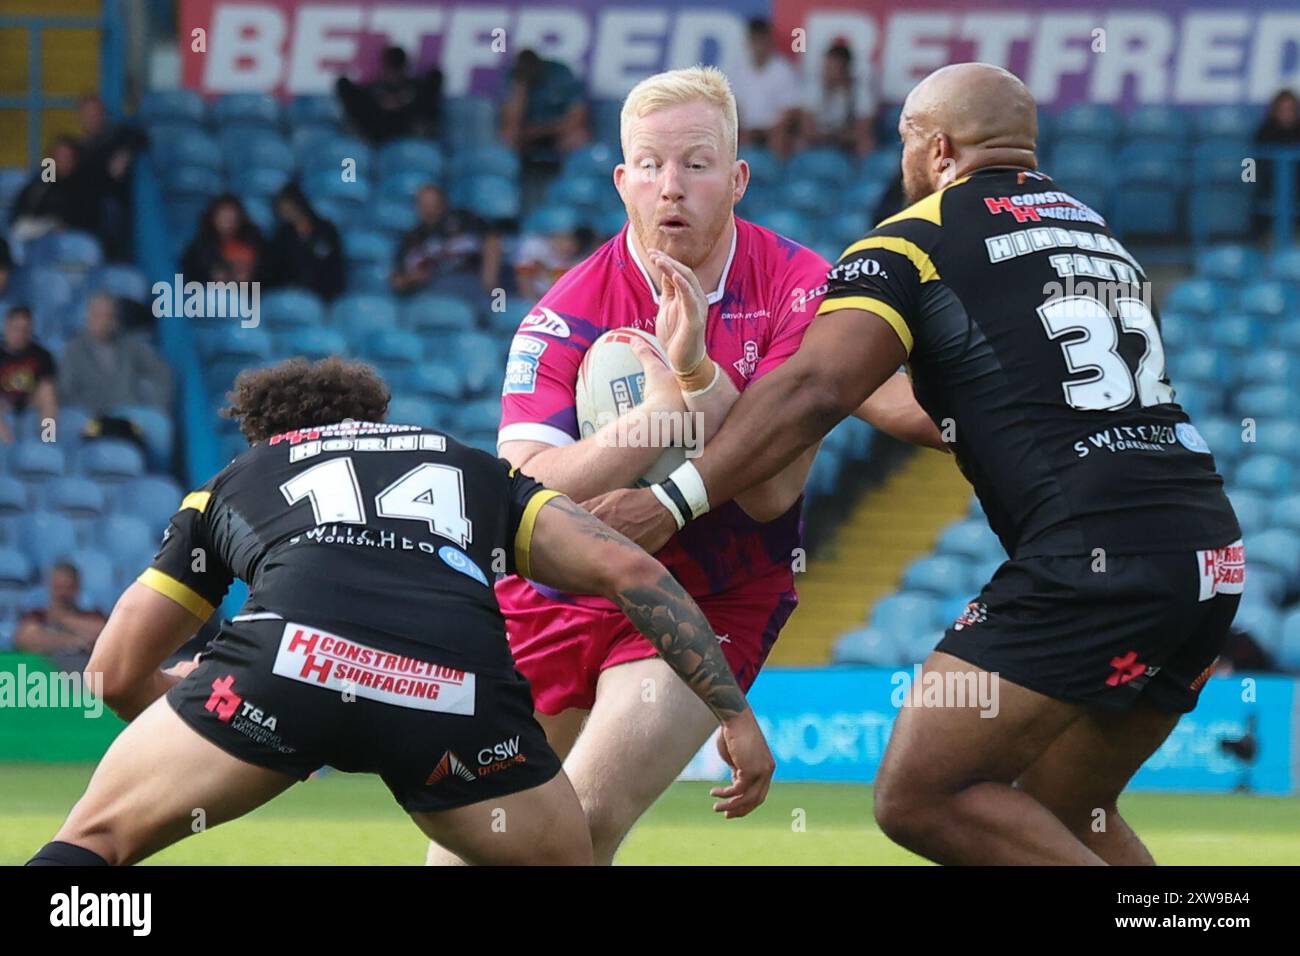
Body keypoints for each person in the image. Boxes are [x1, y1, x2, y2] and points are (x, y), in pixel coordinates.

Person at [589, 63, 1244, 866]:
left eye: (904, 139)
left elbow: (816, 388)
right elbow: (962, 406)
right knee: (1062, 811)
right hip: (1208, 553)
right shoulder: (1091, 232)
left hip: (1091, 555)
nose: (899, 160)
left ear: (937, 147)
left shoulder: (916, 237)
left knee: (919, 794)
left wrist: (674, 501)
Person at [425, 66, 939, 867]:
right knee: (472, 841)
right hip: (561, 586)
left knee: (579, 826)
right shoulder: (565, 310)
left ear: (736, 178)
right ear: (622, 181)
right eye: (652, 166)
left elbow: (771, 492)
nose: (674, 187)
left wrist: (699, 373)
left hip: (716, 591)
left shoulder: (802, 289)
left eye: (697, 165)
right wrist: (669, 410)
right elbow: (524, 486)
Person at [26, 357, 773, 866]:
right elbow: (629, 568)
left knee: (96, 840)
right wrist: (733, 715)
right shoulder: (476, 469)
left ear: (270, 436)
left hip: (285, 667)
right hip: (453, 694)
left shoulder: (237, 477)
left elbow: (113, 672)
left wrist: (204, 706)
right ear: (382, 420)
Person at [59, 293, 173, 415]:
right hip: (89, 417)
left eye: (109, 316)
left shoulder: (131, 345)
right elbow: (65, 391)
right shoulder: (73, 349)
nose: (104, 322)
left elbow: (162, 374)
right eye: (98, 316)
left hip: (129, 414)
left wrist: (154, 404)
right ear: (88, 317)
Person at [389, 184, 501, 297]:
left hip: (471, 283)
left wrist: (489, 280)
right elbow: (397, 281)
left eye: (433, 204)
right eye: (423, 205)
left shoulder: (464, 220)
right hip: (432, 291)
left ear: (443, 204)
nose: (429, 210)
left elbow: (492, 240)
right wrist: (412, 278)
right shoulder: (412, 238)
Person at [74, 93, 148, 261]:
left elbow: (141, 137)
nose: (91, 118)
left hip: (106, 211)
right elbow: (49, 164)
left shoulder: (116, 136)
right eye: (87, 114)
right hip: (76, 209)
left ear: (103, 114)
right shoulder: (75, 146)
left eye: (95, 113)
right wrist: (48, 177)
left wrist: (126, 153)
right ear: (80, 116)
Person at [500, 49, 590, 177]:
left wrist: (541, 131)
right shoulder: (515, 79)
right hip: (527, 135)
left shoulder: (561, 76)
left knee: (577, 137)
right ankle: (509, 181)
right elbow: (510, 122)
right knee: (508, 136)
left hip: (557, 132)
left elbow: (577, 116)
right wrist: (520, 90)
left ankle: (573, 183)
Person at [726, 19, 804, 160]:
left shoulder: (783, 69)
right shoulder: (737, 68)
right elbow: (733, 102)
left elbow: (790, 110)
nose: (759, 46)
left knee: (780, 135)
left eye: (762, 41)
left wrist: (772, 129)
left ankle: (775, 173)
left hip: (773, 129)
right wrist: (741, 126)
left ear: (770, 42)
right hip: (746, 129)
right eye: (755, 41)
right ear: (748, 42)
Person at [336, 45, 442, 143]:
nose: (394, 75)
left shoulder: (418, 91)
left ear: (405, 68)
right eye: (391, 69)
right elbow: (347, 90)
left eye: (398, 69)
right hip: (377, 139)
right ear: (384, 68)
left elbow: (434, 84)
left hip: (410, 140)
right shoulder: (370, 92)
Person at [14, 562, 107, 669]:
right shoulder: (37, 615)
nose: (62, 593)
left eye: (68, 587)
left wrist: (63, 619)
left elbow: (103, 635)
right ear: (50, 586)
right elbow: (25, 639)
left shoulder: (93, 615)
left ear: (77, 587)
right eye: (58, 587)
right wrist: (73, 641)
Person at [263, 182, 344, 301]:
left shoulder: (326, 231)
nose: (287, 211)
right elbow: (272, 271)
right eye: (282, 208)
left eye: (290, 206)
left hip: (322, 298)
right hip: (290, 297)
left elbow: (335, 268)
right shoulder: (281, 236)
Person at [7, 137, 98, 242]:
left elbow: (88, 216)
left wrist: (65, 224)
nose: (61, 161)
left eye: (66, 157)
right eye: (58, 156)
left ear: (75, 159)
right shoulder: (45, 179)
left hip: (72, 235)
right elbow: (25, 205)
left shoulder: (83, 183)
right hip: (40, 229)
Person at [797, 41, 877, 157]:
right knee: (799, 142)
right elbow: (807, 127)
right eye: (826, 67)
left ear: (846, 69)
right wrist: (824, 136)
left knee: (866, 143)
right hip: (819, 139)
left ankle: (857, 172)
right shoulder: (814, 88)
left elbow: (863, 129)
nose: (827, 73)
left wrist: (839, 137)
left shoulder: (861, 93)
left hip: (846, 142)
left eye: (832, 68)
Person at [0, 305, 58, 443]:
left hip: (31, 401)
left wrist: (31, 399)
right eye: (16, 329)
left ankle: (48, 440)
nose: (20, 334)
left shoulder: (42, 355)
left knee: (48, 394)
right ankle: (8, 448)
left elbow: (46, 388)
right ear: (7, 327)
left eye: (25, 330)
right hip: (3, 402)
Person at [180, 194, 264, 285]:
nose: (228, 223)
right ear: (213, 218)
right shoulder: (200, 245)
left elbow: (268, 271)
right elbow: (191, 273)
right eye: (224, 217)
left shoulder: (253, 240)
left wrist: (251, 276)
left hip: (253, 293)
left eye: (232, 218)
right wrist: (212, 275)